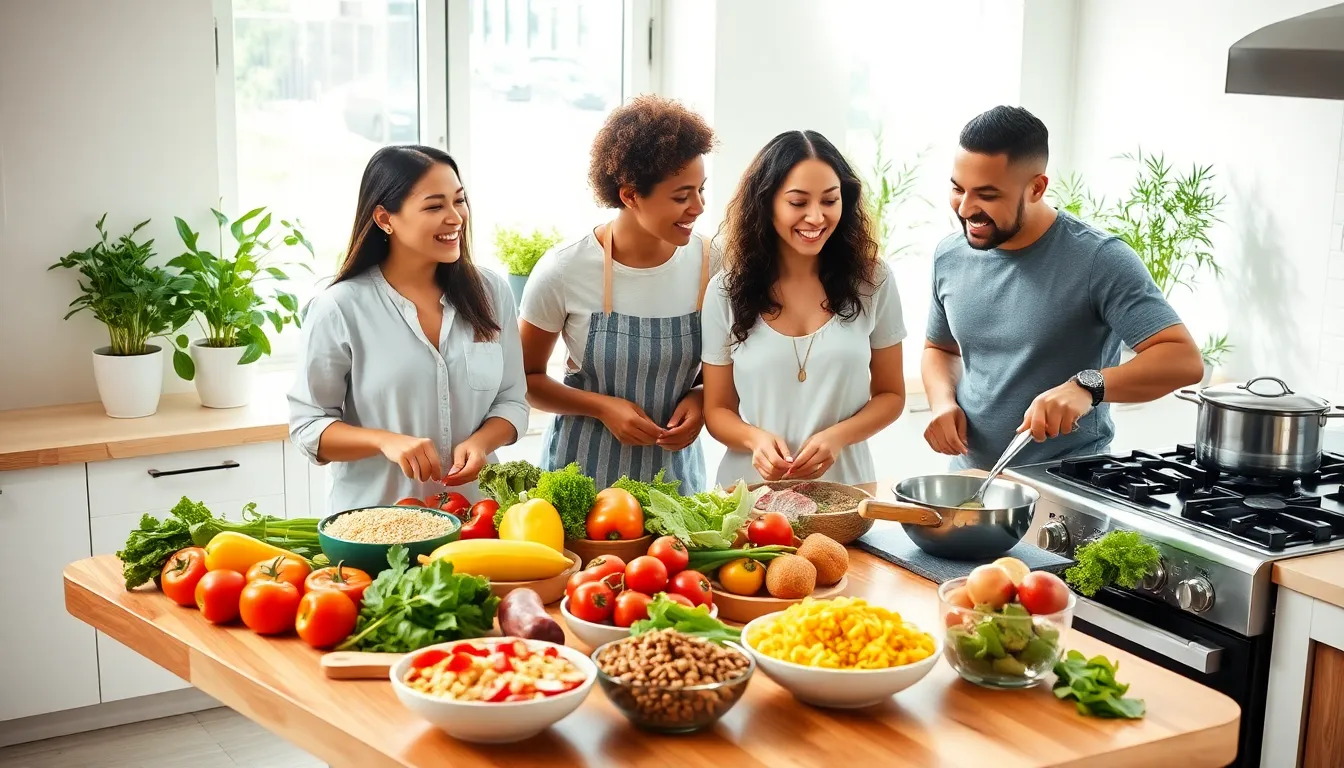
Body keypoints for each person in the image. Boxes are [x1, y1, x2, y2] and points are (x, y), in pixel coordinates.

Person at [922, 105, 1204, 470]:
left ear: (1036, 187)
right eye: (958, 189)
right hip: (972, 482)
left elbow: (1183, 360)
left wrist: (1087, 386)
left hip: (1069, 486)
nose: (965, 209)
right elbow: (938, 349)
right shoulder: (950, 254)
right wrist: (942, 401)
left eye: (987, 196)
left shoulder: (1099, 259)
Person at [288, 145, 529, 512]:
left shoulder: (492, 292)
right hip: (376, 524)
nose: (456, 218)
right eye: (435, 206)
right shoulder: (339, 308)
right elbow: (309, 427)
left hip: (474, 520)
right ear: (385, 219)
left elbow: (512, 401)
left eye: (459, 201)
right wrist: (385, 441)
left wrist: (481, 442)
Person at [519, 95, 717, 491]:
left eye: (700, 190)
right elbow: (525, 380)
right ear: (629, 195)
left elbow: (734, 369)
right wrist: (601, 407)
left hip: (677, 487)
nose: (698, 206)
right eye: (681, 196)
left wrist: (700, 399)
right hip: (580, 484)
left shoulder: (715, 264)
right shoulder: (565, 269)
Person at [700, 130, 907, 486]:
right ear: (766, 203)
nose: (816, 217)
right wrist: (755, 440)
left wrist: (838, 436)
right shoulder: (726, 289)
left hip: (847, 496)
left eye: (830, 200)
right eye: (798, 203)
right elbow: (717, 410)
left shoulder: (873, 280)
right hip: (746, 497)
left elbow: (891, 395)